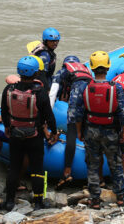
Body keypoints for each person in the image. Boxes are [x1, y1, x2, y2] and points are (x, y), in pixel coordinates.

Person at [70, 51, 124, 209]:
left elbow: (78, 113)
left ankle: (95, 199)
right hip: (111, 131)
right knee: (115, 164)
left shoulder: (84, 87)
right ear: (108, 67)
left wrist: (79, 132)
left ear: (91, 67)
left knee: (92, 165)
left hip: (91, 131)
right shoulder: (116, 87)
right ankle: (120, 196)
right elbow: (122, 112)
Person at [0, 56, 57, 211]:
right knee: (37, 168)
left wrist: (7, 127)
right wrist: (53, 131)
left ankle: (9, 201)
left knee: (14, 167)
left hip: (15, 134)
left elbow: (4, 112)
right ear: (35, 73)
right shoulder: (40, 92)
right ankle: (38, 202)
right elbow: (49, 116)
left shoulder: (8, 90)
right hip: (35, 136)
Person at [50, 56, 94, 188]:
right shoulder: (86, 70)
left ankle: (67, 171)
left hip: (77, 98)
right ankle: (94, 175)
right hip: (90, 94)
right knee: (87, 129)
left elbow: (52, 94)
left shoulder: (63, 71)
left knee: (72, 131)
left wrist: (47, 115)